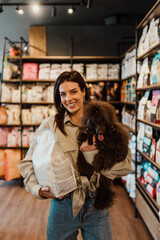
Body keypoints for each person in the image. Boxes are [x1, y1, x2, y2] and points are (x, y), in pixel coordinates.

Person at [18, 70, 132, 240]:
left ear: (83, 91)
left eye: (73, 92)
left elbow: (125, 165)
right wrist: (39, 190)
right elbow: (29, 162)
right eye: (63, 94)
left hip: (96, 206)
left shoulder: (103, 121)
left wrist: (90, 154)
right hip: (63, 207)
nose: (68, 99)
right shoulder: (51, 125)